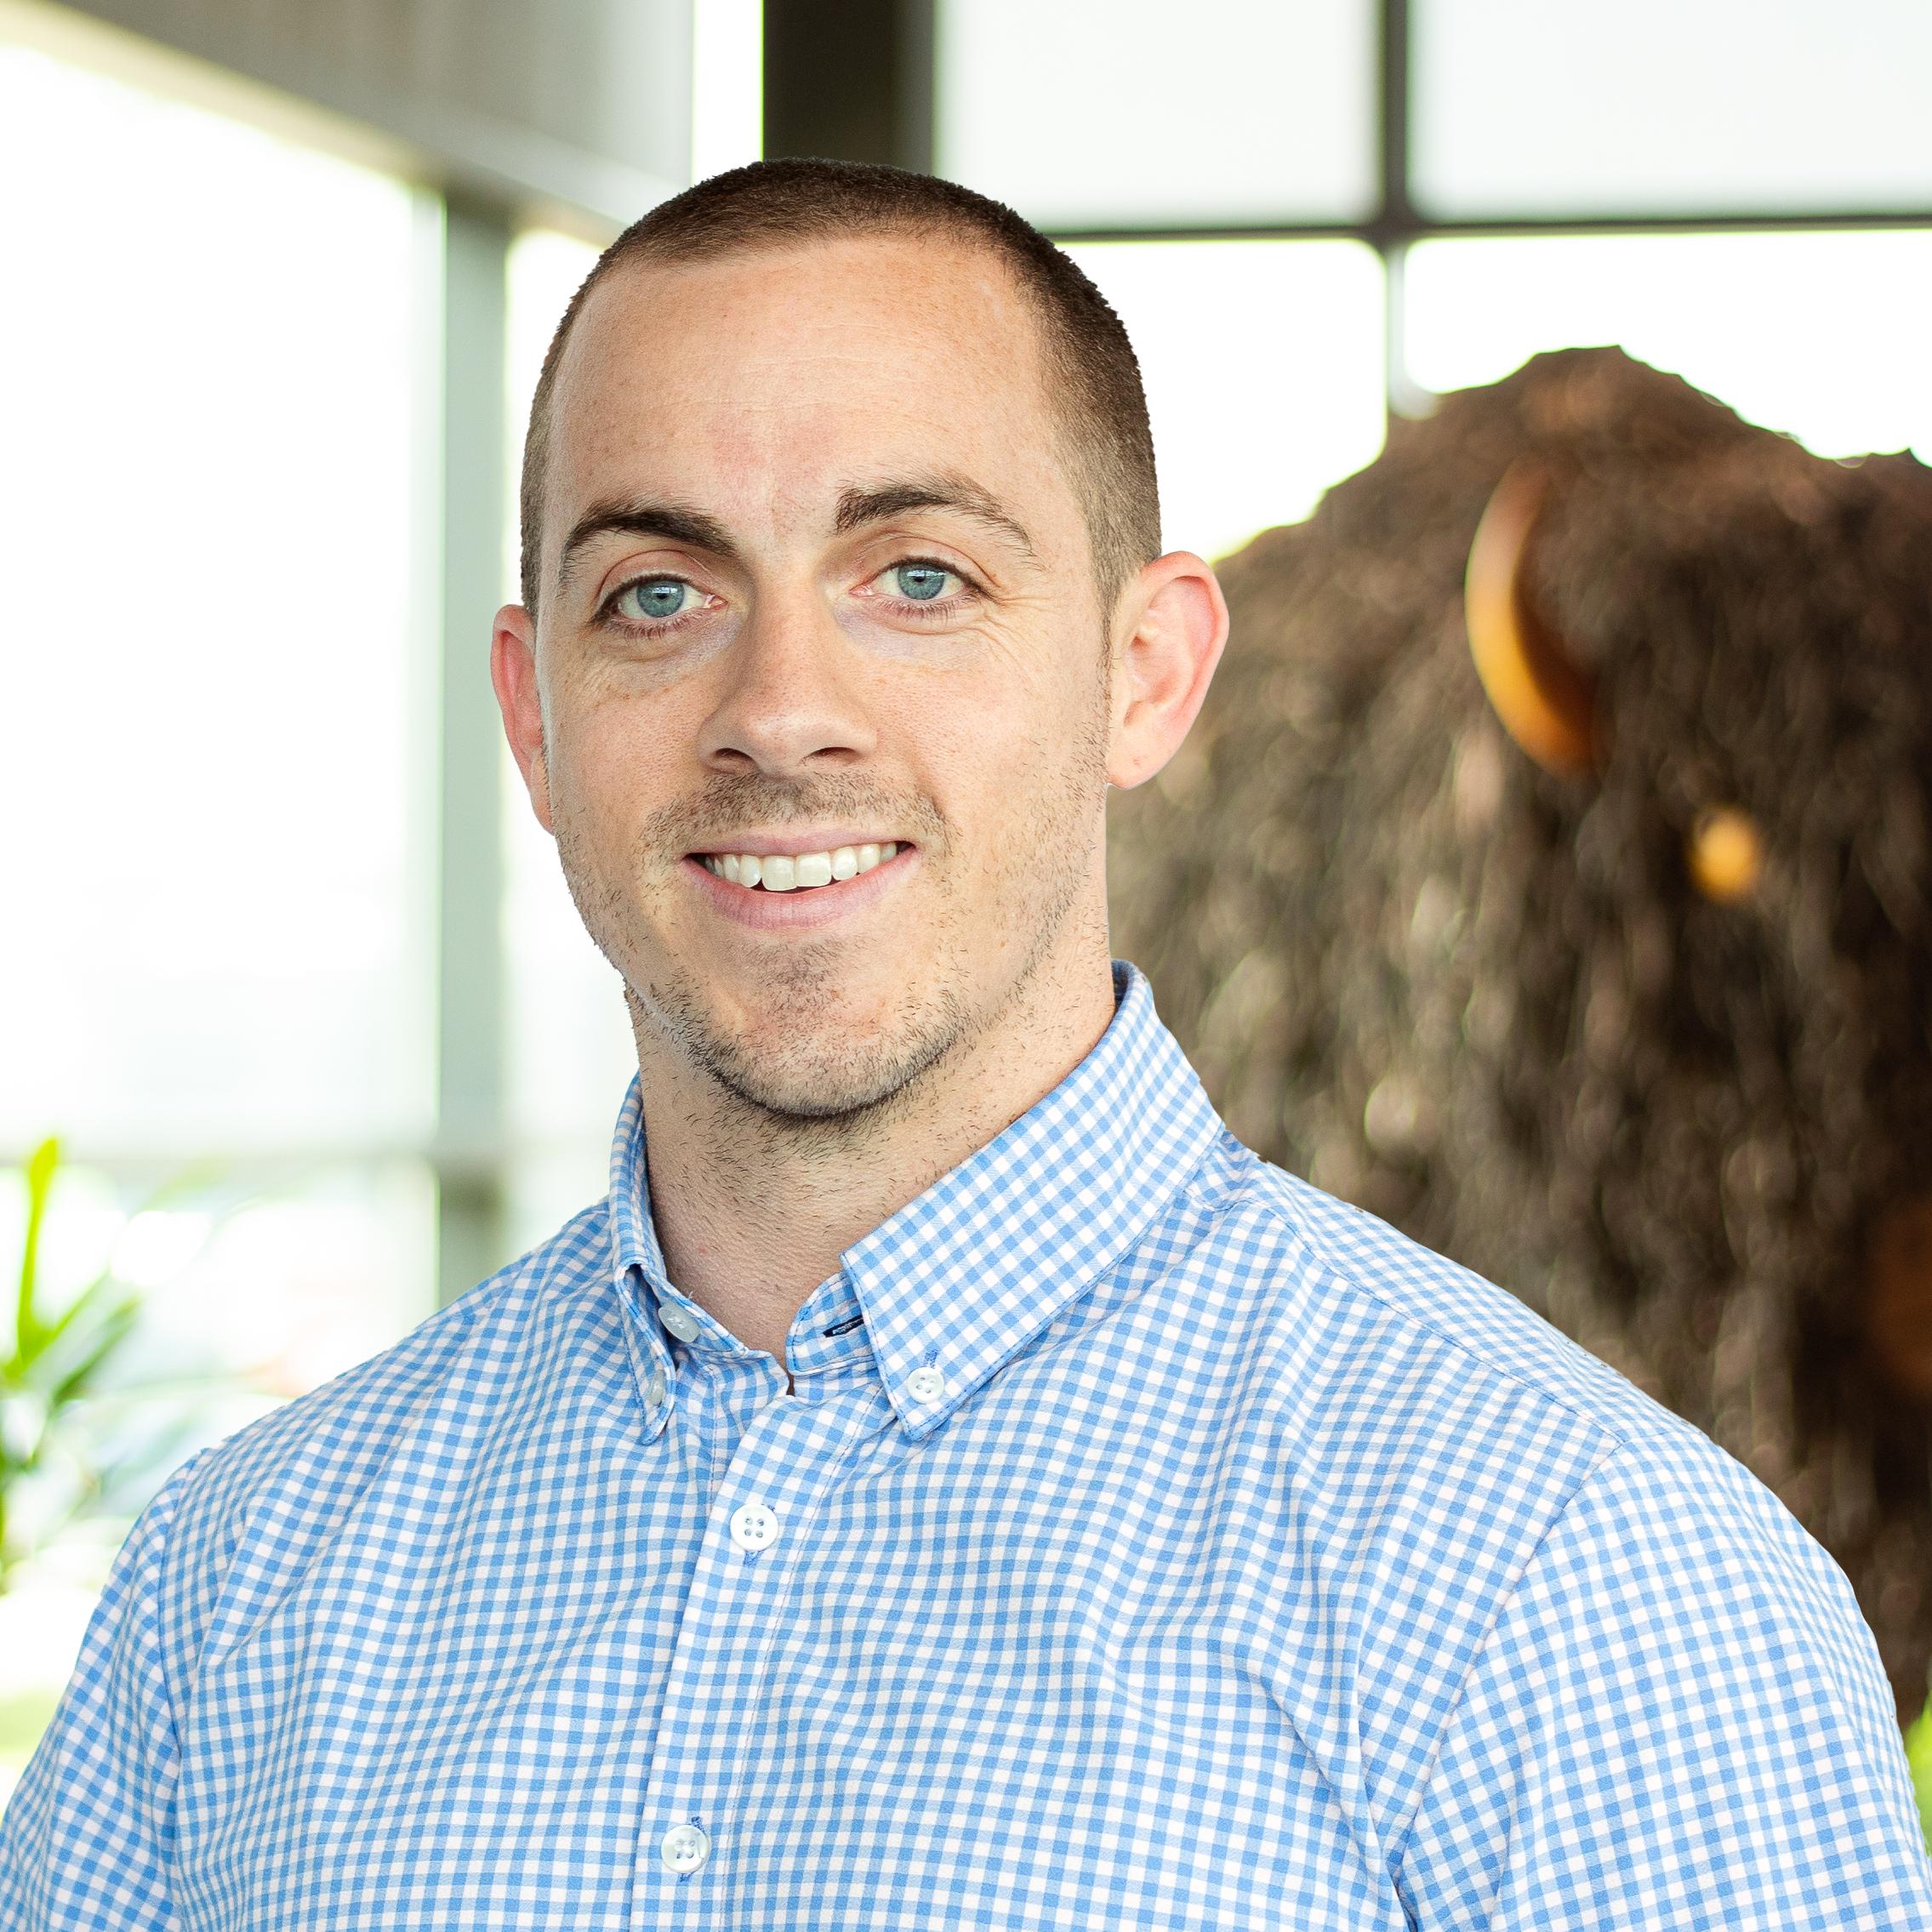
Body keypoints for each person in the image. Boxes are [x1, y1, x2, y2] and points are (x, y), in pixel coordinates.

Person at [3, 158, 1927, 1930]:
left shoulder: (1589, 1584)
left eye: (915, 575)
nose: (777, 710)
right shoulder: (237, 1587)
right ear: (534, 712)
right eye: (657, 593)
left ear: (1144, 673)